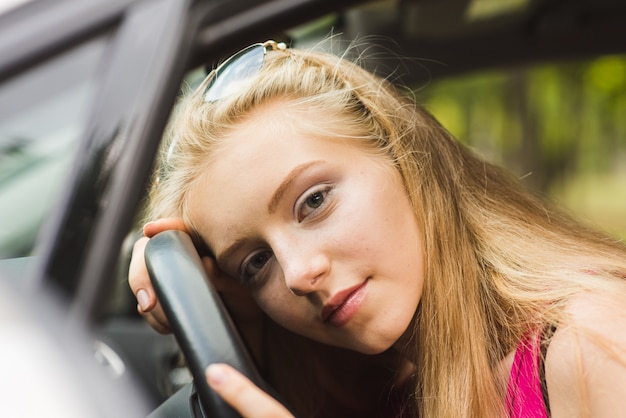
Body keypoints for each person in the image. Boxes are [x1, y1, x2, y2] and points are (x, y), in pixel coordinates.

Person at [128, 39, 626, 417]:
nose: (299, 274)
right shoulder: (396, 380)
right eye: (257, 263)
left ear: (403, 156)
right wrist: (225, 323)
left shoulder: (592, 344)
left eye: (314, 201)